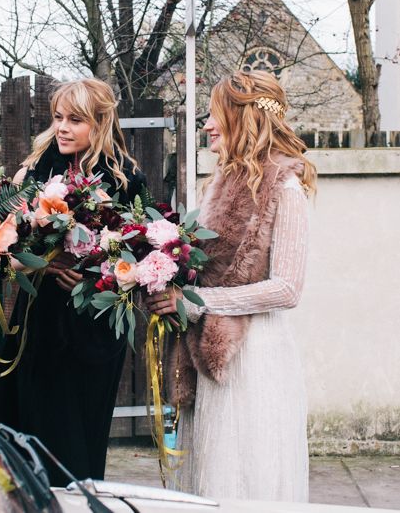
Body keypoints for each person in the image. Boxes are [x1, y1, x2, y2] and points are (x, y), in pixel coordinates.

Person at [147, 70, 316, 501]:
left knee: (245, 476)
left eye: (214, 114)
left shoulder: (286, 188)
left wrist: (198, 301)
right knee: (210, 474)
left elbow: (287, 289)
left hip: (254, 356)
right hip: (210, 351)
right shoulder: (218, 185)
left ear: (244, 118)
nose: (205, 125)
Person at [0, 78, 146, 486]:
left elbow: (136, 252)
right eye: (58, 118)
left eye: (76, 119)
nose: (63, 128)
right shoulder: (36, 171)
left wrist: (94, 271)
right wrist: (42, 262)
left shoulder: (125, 179)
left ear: (100, 122)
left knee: (77, 436)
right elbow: (7, 241)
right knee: (16, 417)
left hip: (93, 325)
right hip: (40, 318)